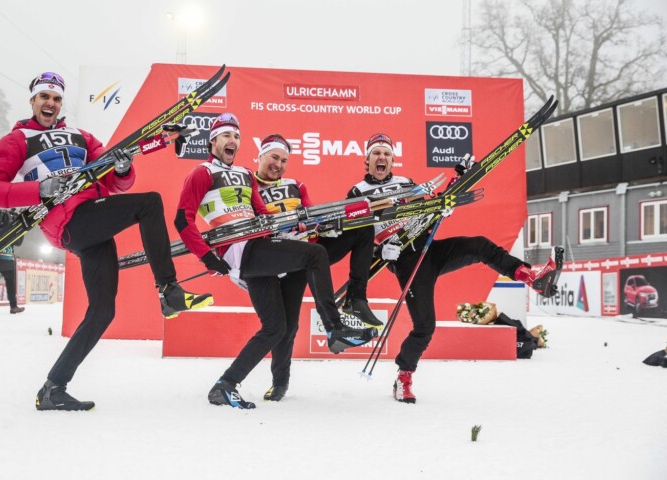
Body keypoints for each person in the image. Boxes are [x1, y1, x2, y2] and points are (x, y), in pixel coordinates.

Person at [0, 72, 213, 411]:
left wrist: (122, 169)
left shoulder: (82, 137)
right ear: (33, 101)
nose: (50, 103)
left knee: (103, 311)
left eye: (56, 98)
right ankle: (169, 291)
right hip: (67, 221)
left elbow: (116, 183)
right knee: (149, 204)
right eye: (44, 97)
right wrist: (39, 189)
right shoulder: (18, 140)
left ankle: (53, 388)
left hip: (93, 221)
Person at [175, 113, 377, 409]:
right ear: (213, 140)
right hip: (241, 250)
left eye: (237, 136)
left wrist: (297, 226)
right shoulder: (201, 172)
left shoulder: (244, 174)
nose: (233, 141)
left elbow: (264, 218)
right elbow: (183, 219)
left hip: (260, 249)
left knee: (276, 328)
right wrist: (206, 256)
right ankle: (335, 328)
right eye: (227, 135)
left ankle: (225, 385)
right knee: (316, 255)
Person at [348, 133, 561, 404]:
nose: (382, 158)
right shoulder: (357, 192)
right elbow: (354, 237)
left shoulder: (406, 184)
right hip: (406, 262)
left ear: (392, 160)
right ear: (367, 159)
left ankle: (531, 277)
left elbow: (427, 210)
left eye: (387, 154)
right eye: (377, 153)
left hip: (429, 249)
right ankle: (404, 377)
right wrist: (380, 252)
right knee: (425, 327)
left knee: (480, 246)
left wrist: (448, 196)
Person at [253, 133, 381, 402]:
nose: (278, 165)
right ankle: (280, 382)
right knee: (285, 327)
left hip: (306, 252)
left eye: (284, 160)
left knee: (363, 226)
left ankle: (355, 299)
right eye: (274, 157)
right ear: (260, 156)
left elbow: (310, 215)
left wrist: (318, 226)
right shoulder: (247, 184)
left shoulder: (295, 185)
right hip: (275, 259)